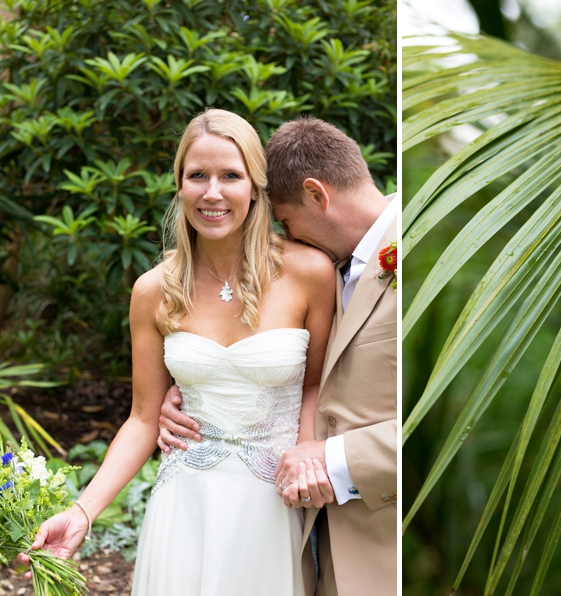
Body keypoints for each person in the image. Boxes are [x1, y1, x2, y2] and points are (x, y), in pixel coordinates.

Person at [20, 108, 335, 595]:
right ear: (180, 186)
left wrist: (307, 456)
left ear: (255, 185)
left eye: (230, 175)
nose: (213, 192)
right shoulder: (153, 291)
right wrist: (83, 510)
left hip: (274, 505)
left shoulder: (309, 272)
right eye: (197, 176)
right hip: (183, 504)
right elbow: (144, 418)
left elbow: (316, 384)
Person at [158, 116, 398, 596]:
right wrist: (196, 388)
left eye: (286, 221)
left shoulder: (428, 253)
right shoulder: (333, 265)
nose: (288, 237)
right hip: (318, 541)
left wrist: (334, 459)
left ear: (317, 195)